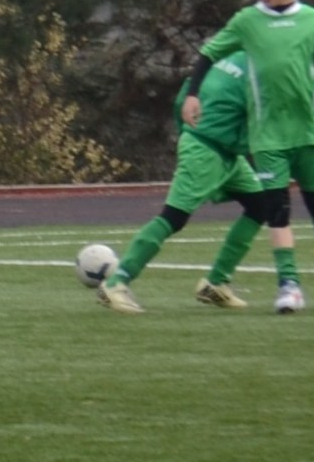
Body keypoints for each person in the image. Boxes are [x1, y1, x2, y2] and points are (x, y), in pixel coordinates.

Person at [182, 0, 314, 314]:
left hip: (305, 131)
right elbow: (208, 53)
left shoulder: (312, 20)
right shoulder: (247, 21)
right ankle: (289, 285)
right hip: (267, 135)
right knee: (277, 208)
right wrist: (193, 95)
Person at [97, 52, 270, 313]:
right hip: (206, 149)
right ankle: (116, 282)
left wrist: (186, 132)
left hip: (225, 153)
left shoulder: (231, 57)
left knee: (260, 206)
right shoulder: (264, 69)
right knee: (174, 217)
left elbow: (185, 96)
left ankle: (216, 283)